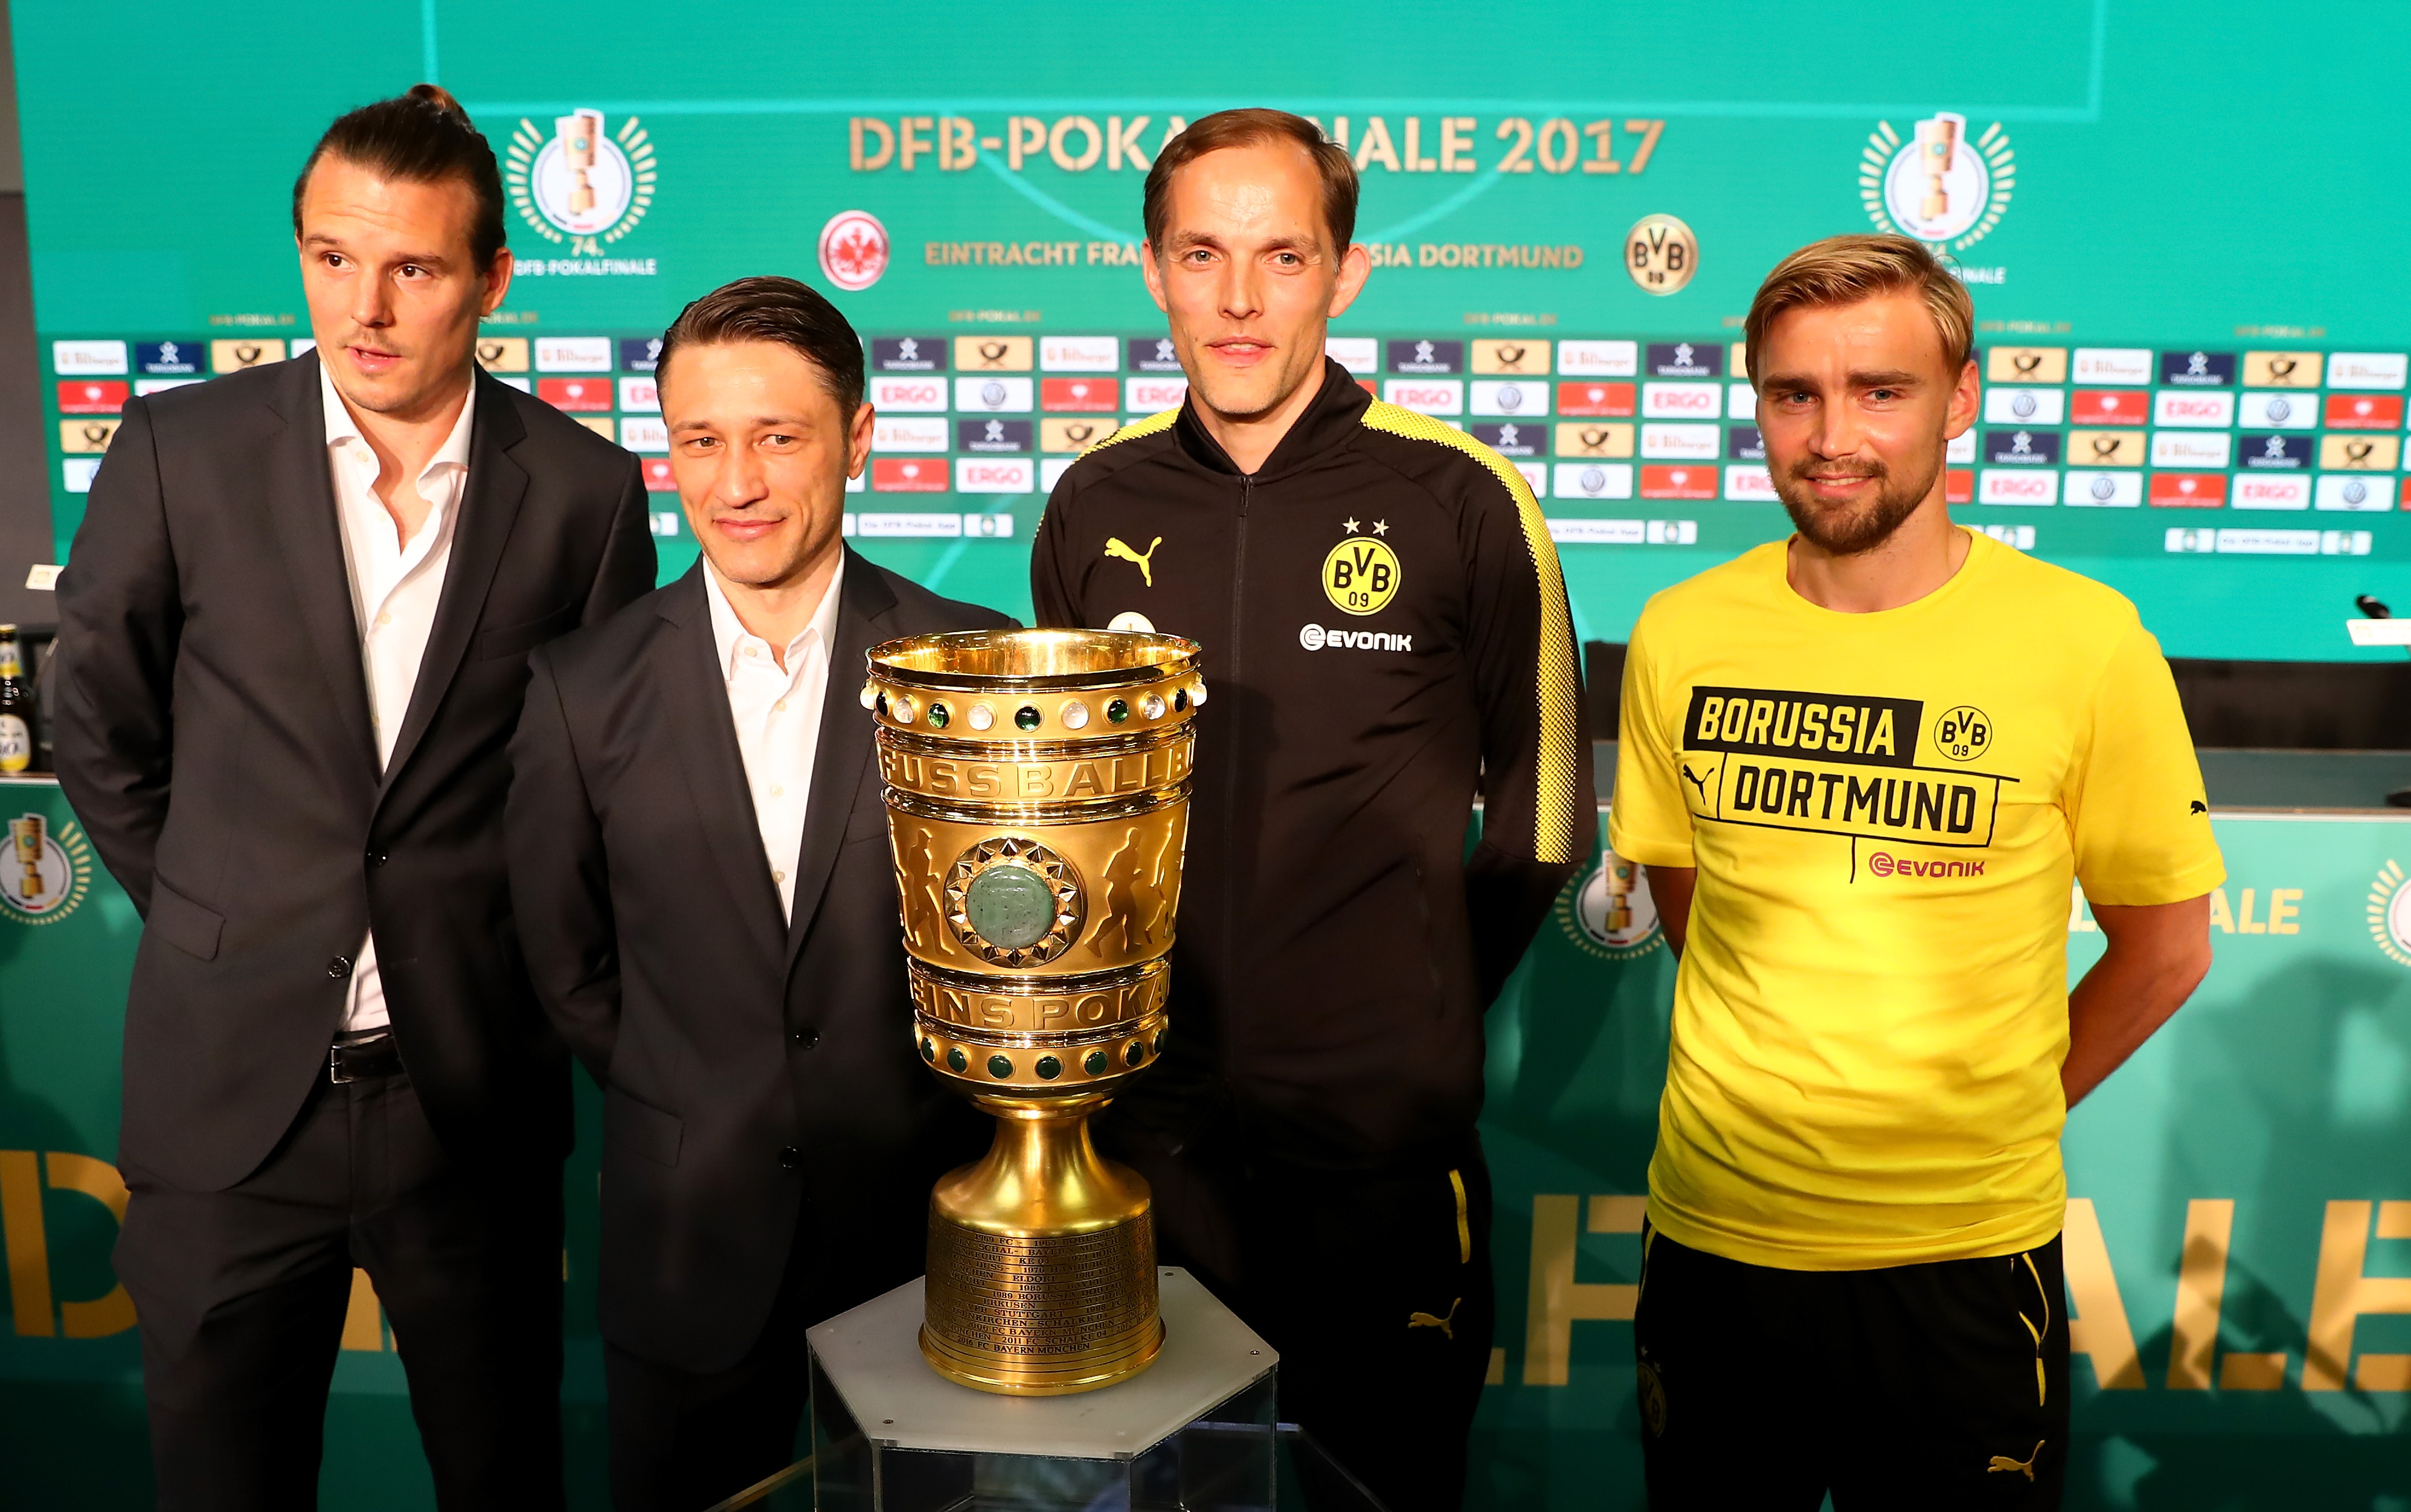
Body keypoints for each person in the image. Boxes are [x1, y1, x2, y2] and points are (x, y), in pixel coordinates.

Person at [51, 86, 655, 1509]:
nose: (364, 309)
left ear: (494, 280)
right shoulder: (177, 450)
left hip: (466, 1099)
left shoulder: (581, 492)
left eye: (414, 268)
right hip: (226, 1102)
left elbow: (592, 798)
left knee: (501, 1477)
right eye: (332, 257)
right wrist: (223, 914)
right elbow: (99, 724)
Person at [1030, 109, 1592, 1511]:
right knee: (1163, 1496)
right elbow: (1064, 826)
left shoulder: (1462, 496)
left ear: (1344, 274)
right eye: (1201, 254)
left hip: (1379, 1157)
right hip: (1148, 1140)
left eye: (1282, 256)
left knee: (1380, 1491)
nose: (1237, 298)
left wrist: (1409, 995)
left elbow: (1540, 823)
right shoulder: (1093, 500)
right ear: (1151, 269)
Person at [1611, 234, 2223, 1508]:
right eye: (1795, 394)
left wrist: (1990, 1110)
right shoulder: (1679, 633)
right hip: (1719, 1253)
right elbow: (1697, 913)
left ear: (1960, 400)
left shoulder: (2084, 641)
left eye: (1878, 390)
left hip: (1963, 1265)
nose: (1831, 435)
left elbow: (2165, 947)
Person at [505, 277, 1009, 1512]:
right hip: (688, 1253)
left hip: (923, 1248)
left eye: (778, 438)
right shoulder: (582, 687)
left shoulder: (976, 665)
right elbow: (566, 959)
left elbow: (1023, 950)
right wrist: (695, 1090)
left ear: (860, 439)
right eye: (702, 440)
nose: (737, 484)